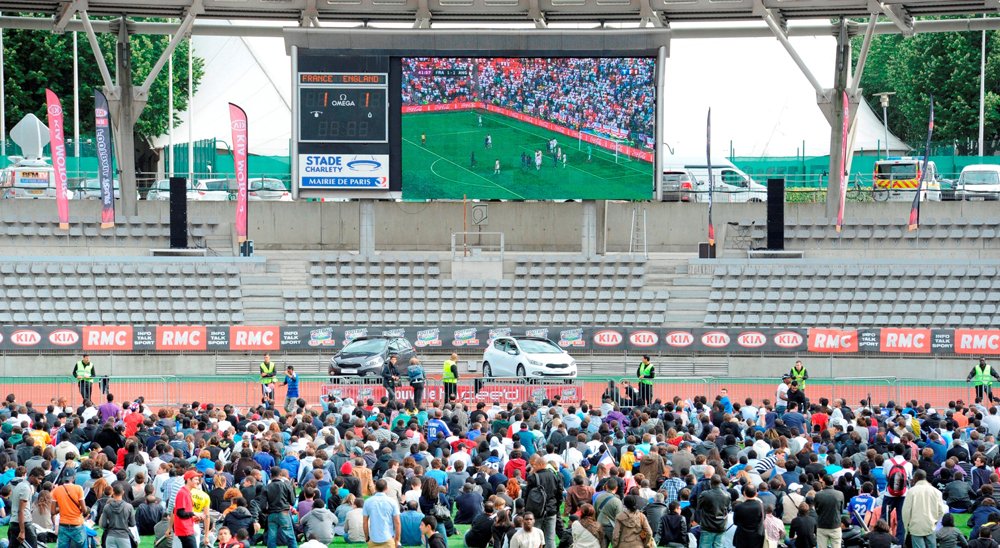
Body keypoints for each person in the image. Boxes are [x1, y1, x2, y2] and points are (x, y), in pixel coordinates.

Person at [902, 470, 947, 548]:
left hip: (915, 525)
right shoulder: (936, 492)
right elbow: (941, 510)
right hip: (930, 524)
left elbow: (906, 511)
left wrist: (907, 526)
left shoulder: (911, 491)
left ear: (917, 478)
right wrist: (935, 520)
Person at [9, 467, 45, 548]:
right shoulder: (25, 488)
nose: (40, 481)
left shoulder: (20, 484)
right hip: (23, 524)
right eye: (39, 478)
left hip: (15, 522)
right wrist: (22, 531)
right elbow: (21, 511)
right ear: (32, 476)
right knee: (33, 545)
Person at [263, 467, 298, 548]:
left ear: (270, 475)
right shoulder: (286, 486)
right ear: (280, 475)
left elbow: (262, 505)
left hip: (271, 514)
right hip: (284, 513)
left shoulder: (266, 487)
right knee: (290, 537)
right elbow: (292, 502)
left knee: (271, 538)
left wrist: (266, 511)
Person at [52, 476, 88, 548]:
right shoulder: (78, 488)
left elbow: (52, 512)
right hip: (77, 523)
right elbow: (84, 510)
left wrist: (63, 508)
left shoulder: (57, 490)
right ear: (73, 477)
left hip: (63, 524)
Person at [363, 479, 400, 548]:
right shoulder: (392, 502)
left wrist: (367, 538)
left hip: (373, 538)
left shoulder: (367, 502)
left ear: (375, 488)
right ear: (387, 488)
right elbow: (397, 522)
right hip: (388, 537)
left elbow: (365, 522)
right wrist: (397, 539)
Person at [173, 470, 205, 548]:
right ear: (188, 480)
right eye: (196, 479)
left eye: (198, 479)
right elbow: (180, 513)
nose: (198, 482)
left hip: (187, 528)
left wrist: (194, 517)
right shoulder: (183, 493)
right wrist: (194, 513)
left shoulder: (186, 493)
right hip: (185, 529)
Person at [697, 475, 730, 548]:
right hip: (721, 526)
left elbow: (698, 506)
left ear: (711, 482)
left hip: (707, 525)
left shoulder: (705, 494)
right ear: (720, 482)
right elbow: (728, 508)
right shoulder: (727, 495)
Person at [100, 483, 137, 548]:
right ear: (123, 492)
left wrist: (111, 524)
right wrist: (124, 523)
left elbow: (103, 525)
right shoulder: (129, 507)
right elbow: (133, 523)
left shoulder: (107, 507)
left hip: (111, 536)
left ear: (112, 492)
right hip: (124, 536)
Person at [815, 476, 844, 548]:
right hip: (835, 525)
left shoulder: (818, 495)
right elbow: (841, 510)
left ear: (824, 482)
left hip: (822, 525)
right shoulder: (840, 494)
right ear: (833, 483)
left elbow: (816, 510)